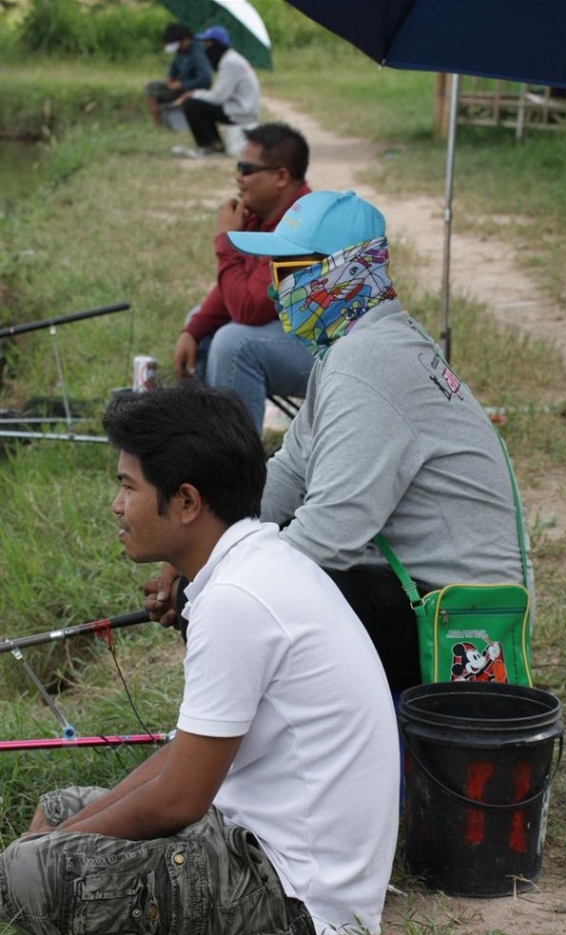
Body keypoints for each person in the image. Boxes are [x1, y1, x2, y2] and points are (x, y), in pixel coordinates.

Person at [0, 384, 400, 935]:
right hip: (258, 840)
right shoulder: (250, 565)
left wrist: (48, 853)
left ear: (185, 501)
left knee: (29, 870)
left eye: (129, 486)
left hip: (296, 899)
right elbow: (184, 761)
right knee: (56, 816)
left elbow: (179, 801)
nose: (116, 505)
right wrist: (62, 834)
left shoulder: (236, 600)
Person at [146, 190, 533, 694]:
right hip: (415, 591)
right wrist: (193, 551)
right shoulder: (352, 346)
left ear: (342, 271)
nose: (273, 288)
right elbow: (289, 470)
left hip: (456, 622)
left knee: (236, 603)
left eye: (287, 271)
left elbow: (329, 533)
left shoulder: (367, 362)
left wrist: (211, 578)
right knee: (234, 581)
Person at [173, 123, 315, 434]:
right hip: (290, 331)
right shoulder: (262, 216)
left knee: (235, 343)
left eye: (247, 169)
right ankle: (203, 443)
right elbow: (235, 290)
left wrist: (226, 240)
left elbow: (248, 308)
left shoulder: (302, 226)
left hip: (329, 351)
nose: (238, 177)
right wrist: (193, 330)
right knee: (203, 323)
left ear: (281, 177)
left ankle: (238, 468)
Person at [170, 26, 261, 159]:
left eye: (207, 44)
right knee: (198, 102)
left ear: (216, 45)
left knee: (192, 105)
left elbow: (218, 97)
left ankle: (210, 147)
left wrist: (193, 93)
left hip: (241, 111)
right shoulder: (230, 59)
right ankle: (214, 144)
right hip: (243, 107)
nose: (204, 49)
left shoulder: (229, 62)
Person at [145, 23, 212, 128]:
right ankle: (158, 124)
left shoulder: (197, 54)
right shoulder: (180, 52)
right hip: (180, 88)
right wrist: (169, 79)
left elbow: (206, 79)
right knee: (151, 87)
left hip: (195, 90)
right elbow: (174, 69)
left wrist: (182, 85)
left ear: (185, 40)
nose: (177, 50)